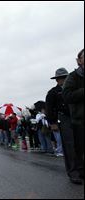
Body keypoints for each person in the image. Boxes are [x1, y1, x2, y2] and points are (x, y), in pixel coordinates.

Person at [62, 49, 84, 184]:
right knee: (76, 147)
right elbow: (67, 96)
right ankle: (75, 172)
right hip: (78, 118)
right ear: (79, 60)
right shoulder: (73, 77)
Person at [46, 68, 69, 157]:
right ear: (57, 80)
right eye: (61, 78)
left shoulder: (71, 90)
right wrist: (52, 123)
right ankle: (61, 152)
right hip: (60, 119)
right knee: (62, 140)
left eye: (65, 77)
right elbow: (49, 108)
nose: (64, 79)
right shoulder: (52, 92)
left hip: (73, 118)